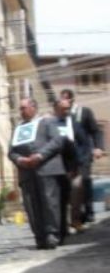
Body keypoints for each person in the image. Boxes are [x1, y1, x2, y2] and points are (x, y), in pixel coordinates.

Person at [9, 97, 65, 250]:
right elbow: (11, 152)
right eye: (20, 108)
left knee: (49, 202)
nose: (21, 111)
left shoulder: (47, 122)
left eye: (23, 108)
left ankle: (52, 234)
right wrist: (21, 160)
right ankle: (39, 236)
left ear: (33, 107)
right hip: (27, 173)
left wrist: (40, 155)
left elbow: (56, 141)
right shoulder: (18, 129)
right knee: (31, 205)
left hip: (46, 169)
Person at [61, 88, 105, 223]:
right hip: (68, 158)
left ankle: (89, 211)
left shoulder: (84, 112)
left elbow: (96, 131)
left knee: (84, 181)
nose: (62, 102)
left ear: (71, 99)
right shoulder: (61, 116)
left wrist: (98, 147)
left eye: (65, 99)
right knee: (71, 187)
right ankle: (76, 215)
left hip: (84, 155)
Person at [53, 96, 87, 239]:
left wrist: (81, 160)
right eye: (63, 108)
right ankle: (62, 225)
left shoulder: (74, 124)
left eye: (68, 108)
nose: (66, 111)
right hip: (56, 167)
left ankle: (76, 221)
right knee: (58, 198)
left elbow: (84, 142)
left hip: (73, 167)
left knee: (76, 193)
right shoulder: (50, 124)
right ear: (56, 109)